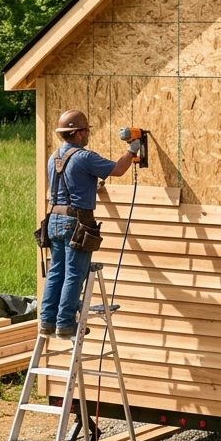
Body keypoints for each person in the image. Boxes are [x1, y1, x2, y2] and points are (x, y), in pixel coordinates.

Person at [39, 110, 141, 339]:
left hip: (53, 220)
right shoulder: (84, 157)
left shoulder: (53, 157)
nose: (87, 135)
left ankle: (47, 321)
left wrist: (90, 189)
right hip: (76, 222)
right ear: (77, 133)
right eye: (85, 131)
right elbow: (118, 169)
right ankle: (65, 324)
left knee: (57, 271)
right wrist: (132, 149)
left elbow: (69, 186)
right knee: (75, 273)